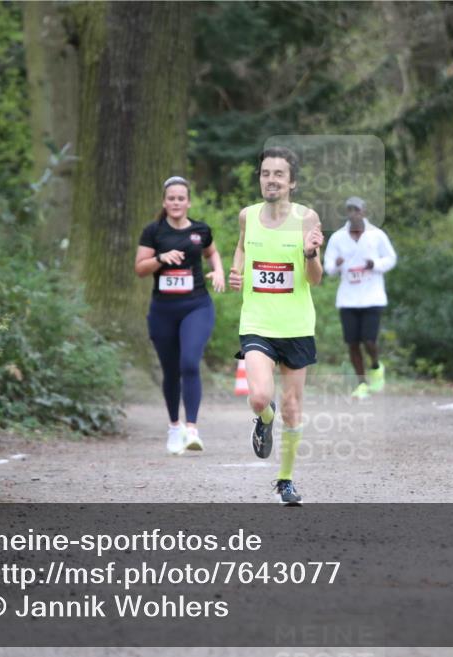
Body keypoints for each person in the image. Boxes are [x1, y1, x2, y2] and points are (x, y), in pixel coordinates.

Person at [228, 147, 324, 505]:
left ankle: (285, 480)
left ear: (292, 182)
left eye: (279, 174)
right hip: (257, 321)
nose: (271, 180)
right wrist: (237, 270)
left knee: (292, 406)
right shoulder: (247, 216)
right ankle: (263, 419)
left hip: (296, 325)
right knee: (259, 397)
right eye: (266, 173)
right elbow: (240, 249)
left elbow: (315, 279)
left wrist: (311, 253)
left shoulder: (306, 219)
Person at [135, 176, 225, 455]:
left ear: (188, 202)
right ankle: (175, 427)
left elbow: (212, 253)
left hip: (196, 305)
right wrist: (161, 258)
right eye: (171, 198)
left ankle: (192, 429)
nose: (176, 202)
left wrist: (218, 271)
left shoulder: (200, 230)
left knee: (189, 362)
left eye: (180, 198)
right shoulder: (154, 232)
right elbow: (140, 268)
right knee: (171, 370)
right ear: (165, 202)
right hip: (163, 310)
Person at [323, 196, 397, 399]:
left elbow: (391, 258)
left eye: (357, 209)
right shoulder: (338, 237)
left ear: (364, 211)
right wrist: (337, 264)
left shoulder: (377, 235)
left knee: (369, 340)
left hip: (372, 297)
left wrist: (376, 265)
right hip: (348, 299)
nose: (353, 213)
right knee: (352, 343)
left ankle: (375, 365)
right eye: (349, 210)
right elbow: (328, 267)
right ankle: (361, 383)